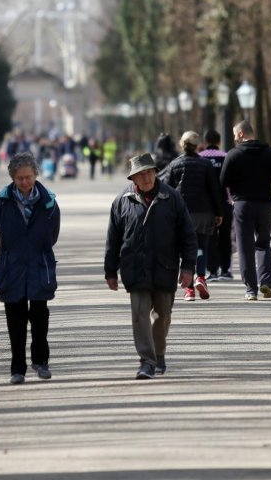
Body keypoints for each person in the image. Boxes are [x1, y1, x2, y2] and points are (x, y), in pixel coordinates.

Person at [104, 153, 197, 379]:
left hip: (165, 267)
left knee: (162, 315)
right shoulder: (121, 201)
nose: (146, 177)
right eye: (140, 174)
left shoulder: (172, 198)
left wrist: (187, 268)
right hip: (134, 267)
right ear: (133, 179)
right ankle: (146, 360)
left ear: (155, 172)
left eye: (149, 172)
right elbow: (113, 238)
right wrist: (110, 271)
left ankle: (159, 353)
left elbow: (188, 235)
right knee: (139, 315)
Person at [0, 152, 61, 385]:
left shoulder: (48, 200)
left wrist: (35, 247)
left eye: (28, 177)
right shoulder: (3, 201)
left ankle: (41, 361)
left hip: (39, 266)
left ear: (35, 175)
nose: (24, 182)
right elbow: (0, 228)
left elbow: (53, 234)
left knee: (40, 317)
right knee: (15, 320)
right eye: (20, 178)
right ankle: (17, 368)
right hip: (12, 267)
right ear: (12, 177)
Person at [220, 121, 271, 300]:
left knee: (245, 246)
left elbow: (223, 181)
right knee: (264, 243)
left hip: (242, 204)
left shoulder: (234, 154)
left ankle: (251, 289)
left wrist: (232, 192)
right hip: (265, 204)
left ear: (242, 133)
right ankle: (266, 282)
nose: (234, 137)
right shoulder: (270, 153)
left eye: (235, 134)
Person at [160, 131, 224, 301]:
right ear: (197, 146)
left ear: (182, 144)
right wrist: (219, 212)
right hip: (204, 213)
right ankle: (201, 278)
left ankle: (189, 290)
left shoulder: (175, 164)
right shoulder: (206, 164)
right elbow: (214, 190)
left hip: (182, 214)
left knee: (185, 251)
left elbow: (166, 190)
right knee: (201, 246)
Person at [199, 129, 234, 281]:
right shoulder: (226, 157)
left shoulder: (199, 158)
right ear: (219, 142)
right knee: (225, 235)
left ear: (205, 142)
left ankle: (212, 270)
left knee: (210, 236)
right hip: (225, 202)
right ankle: (225, 269)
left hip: (206, 204)